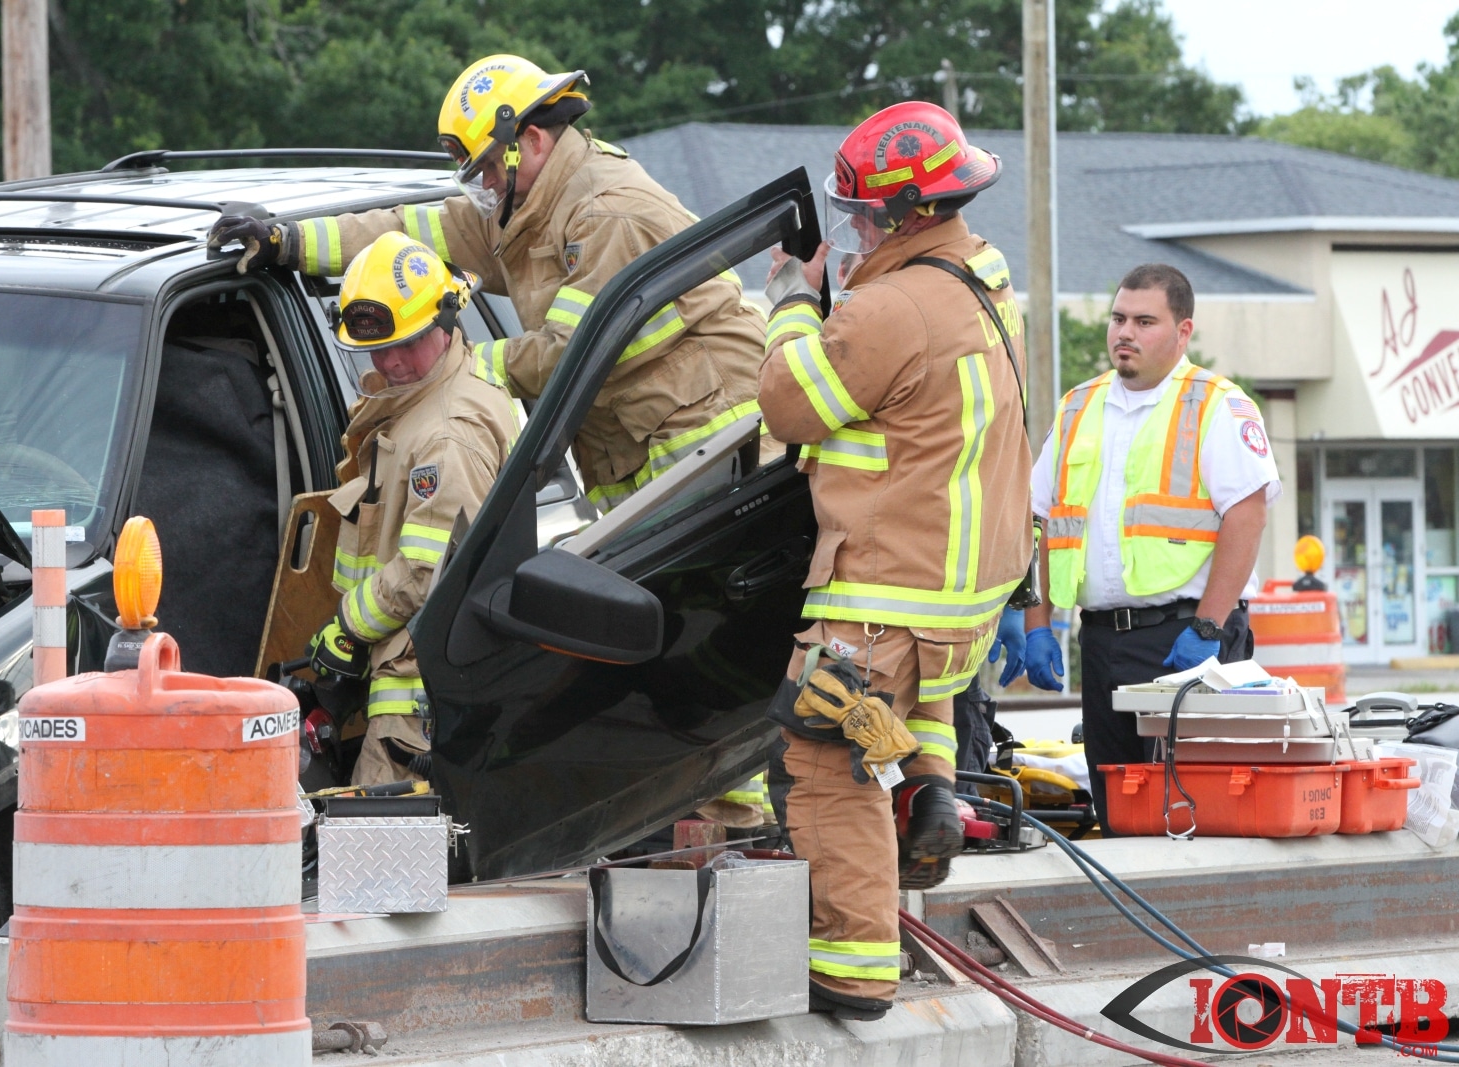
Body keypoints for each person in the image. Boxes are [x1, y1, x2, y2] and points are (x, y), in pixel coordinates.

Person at [207, 54, 765, 513]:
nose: (487, 188)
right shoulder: (527, 202)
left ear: (533, 141)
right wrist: (288, 241)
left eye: (490, 168)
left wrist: (454, 369)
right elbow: (408, 235)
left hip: (709, 443)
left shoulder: (604, 214)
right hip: (642, 447)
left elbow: (568, 355)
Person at [757, 101, 1032, 1021]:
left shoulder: (889, 307)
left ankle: (853, 968)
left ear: (909, 213)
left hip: (880, 597)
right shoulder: (983, 284)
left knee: (825, 762)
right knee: (901, 718)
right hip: (951, 606)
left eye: (865, 215)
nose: (855, 230)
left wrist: (795, 301)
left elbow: (792, 404)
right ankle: (932, 793)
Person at [1023, 263, 1280, 834]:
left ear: (1182, 332)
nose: (1125, 333)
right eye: (1118, 319)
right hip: (1103, 642)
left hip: (1187, 638)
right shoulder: (1077, 407)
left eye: (1144, 321)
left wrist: (1210, 628)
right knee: (1119, 810)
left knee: (1196, 812)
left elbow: (1248, 514)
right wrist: (1036, 623)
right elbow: (1037, 520)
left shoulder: (1217, 404)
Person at [304, 233, 516, 786]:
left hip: (418, 690)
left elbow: (427, 573)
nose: (392, 361)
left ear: (446, 322)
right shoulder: (420, 395)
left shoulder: (447, 435)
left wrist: (348, 625)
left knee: (379, 843)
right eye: (378, 347)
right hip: (396, 664)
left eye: (409, 343)